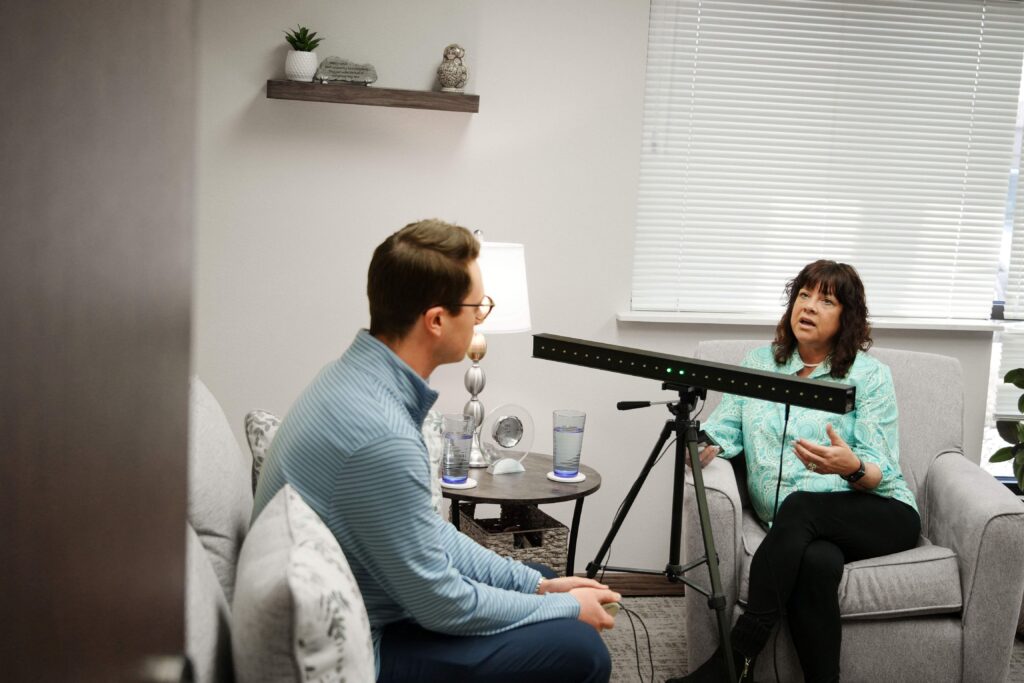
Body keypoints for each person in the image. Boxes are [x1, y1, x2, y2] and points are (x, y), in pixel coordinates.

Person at [252, 219, 619, 682]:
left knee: (547, 593)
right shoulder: (381, 435)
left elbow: (427, 533)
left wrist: (537, 584)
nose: (479, 317)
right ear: (437, 320)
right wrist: (563, 606)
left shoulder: (350, 378)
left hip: (387, 610)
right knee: (581, 650)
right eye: (477, 307)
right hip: (373, 647)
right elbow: (445, 604)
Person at [673, 260, 920, 683]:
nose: (809, 306)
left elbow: (881, 469)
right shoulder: (760, 362)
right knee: (818, 563)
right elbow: (725, 426)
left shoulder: (870, 377)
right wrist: (701, 443)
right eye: (803, 295)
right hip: (802, 531)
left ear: (847, 317)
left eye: (826, 300)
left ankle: (736, 657)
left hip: (879, 510)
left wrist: (853, 467)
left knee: (802, 505)